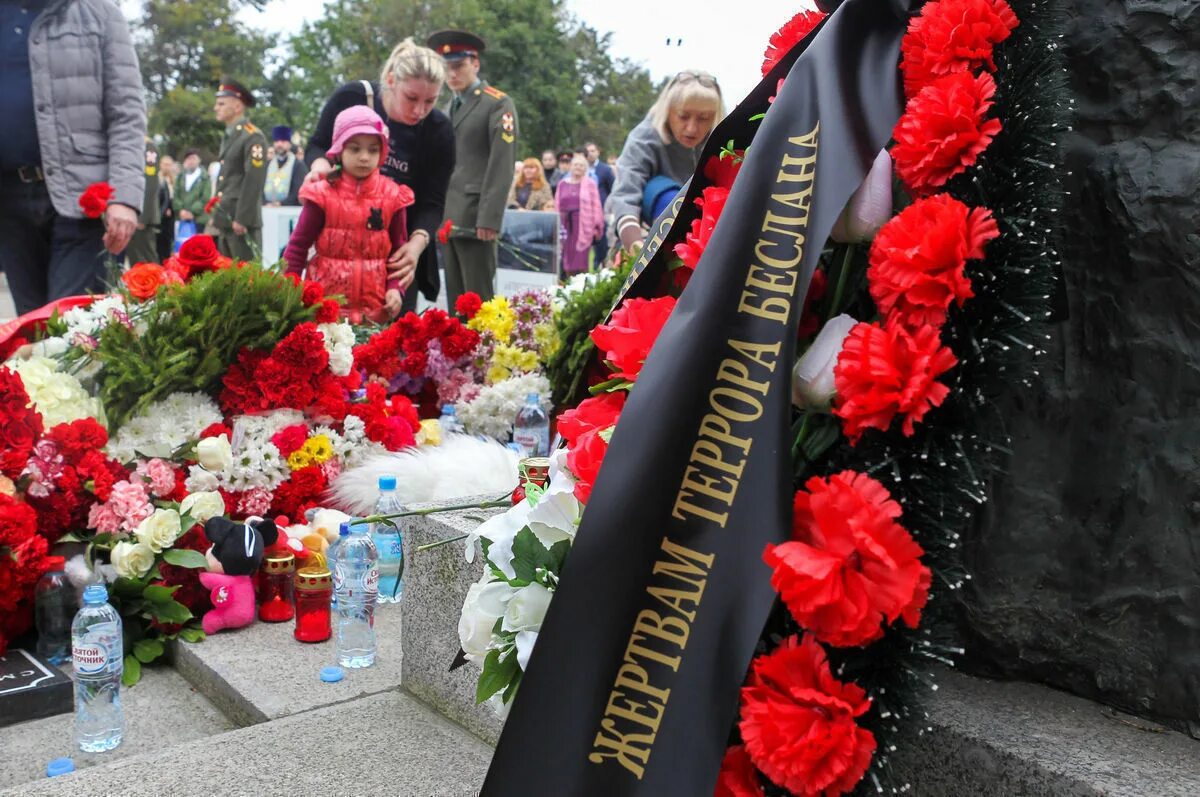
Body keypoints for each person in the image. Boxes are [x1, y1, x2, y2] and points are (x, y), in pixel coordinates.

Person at [0, 0, 144, 315]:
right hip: (9, 205)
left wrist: (125, 198)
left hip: (83, 202)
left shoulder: (100, 15)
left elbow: (126, 115)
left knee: (69, 325)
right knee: (29, 328)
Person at [306, 38, 453, 315]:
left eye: (430, 101)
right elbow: (317, 144)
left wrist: (416, 246)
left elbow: (433, 202)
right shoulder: (352, 98)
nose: (420, 110)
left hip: (396, 253)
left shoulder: (439, 131)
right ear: (390, 80)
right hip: (338, 245)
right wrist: (320, 165)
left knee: (393, 342)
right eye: (411, 98)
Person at [283, 106, 414, 324]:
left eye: (373, 150)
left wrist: (395, 289)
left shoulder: (393, 196)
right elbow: (297, 248)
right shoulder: (321, 194)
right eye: (355, 149)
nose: (364, 157)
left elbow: (399, 253)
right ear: (339, 150)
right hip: (325, 314)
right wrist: (289, 295)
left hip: (375, 316)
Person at [428, 29, 517, 311]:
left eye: (458, 66)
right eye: (446, 68)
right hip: (449, 217)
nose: (452, 74)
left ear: (475, 63)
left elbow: (501, 163)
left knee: (479, 305)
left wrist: (489, 218)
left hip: (476, 217)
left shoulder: (497, 103)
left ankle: (485, 356)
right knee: (455, 304)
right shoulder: (447, 107)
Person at [607, 70, 724, 253]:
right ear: (668, 110)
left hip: (704, 240)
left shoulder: (721, 143)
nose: (692, 128)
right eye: (683, 116)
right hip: (644, 236)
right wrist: (635, 246)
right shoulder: (644, 138)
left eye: (704, 118)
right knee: (665, 193)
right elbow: (625, 194)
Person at [211, 78, 268, 261]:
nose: (216, 108)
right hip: (227, 217)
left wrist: (242, 218)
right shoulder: (230, 135)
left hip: (241, 220)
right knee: (226, 279)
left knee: (247, 279)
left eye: (221, 104)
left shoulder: (252, 136)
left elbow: (254, 179)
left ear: (237, 107)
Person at [555, 152, 604, 276]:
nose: (578, 167)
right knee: (567, 259)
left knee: (581, 261)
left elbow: (596, 205)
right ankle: (568, 284)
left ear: (585, 168)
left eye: (581, 165)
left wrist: (597, 226)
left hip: (583, 226)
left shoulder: (590, 184)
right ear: (570, 166)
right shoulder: (562, 184)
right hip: (565, 225)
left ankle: (582, 284)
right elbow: (557, 204)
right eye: (575, 165)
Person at [125, 137, 160, 264]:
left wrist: (143, 216)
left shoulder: (148, 147)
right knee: (134, 259)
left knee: (147, 258)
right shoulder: (132, 144)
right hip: (131, 212)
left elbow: (150, 182)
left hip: (142, 215)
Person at [584, 141, 615, 265]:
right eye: (588, 151)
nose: (590, 154)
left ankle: (600, 263)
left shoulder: (605, 169)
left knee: (601, 242)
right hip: (585, 212)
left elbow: (612, 188)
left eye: (593, 151)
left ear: (598, 152)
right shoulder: (583, 168)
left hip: (601, 212)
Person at [263, 126, 307, 207]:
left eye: (283, 141)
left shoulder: (298, 165)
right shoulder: (267, 165)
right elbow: (260, 188)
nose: (279, 144)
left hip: (288, 210)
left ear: (289, 144)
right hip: (267, 209)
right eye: (277, 141)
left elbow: (298, 191)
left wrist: (281, 204)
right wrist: (265, 203)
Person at [175, 150, 211, 246]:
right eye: (188, 159)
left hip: (198, 218)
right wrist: (181, 210)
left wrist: (192, 212)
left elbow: (205, 197)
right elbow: (176, 195)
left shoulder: (205, 177)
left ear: (199, 160)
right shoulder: (180, 177)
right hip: (181, 217)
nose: (191, 161)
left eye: (193, 158)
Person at [155, 155, 177, 260]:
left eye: (169, 165)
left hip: (171, 214)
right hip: (160, 212)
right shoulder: (157, 178)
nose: (167, 167)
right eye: (165, 164)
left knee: (169, 240)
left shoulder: (174, 180)